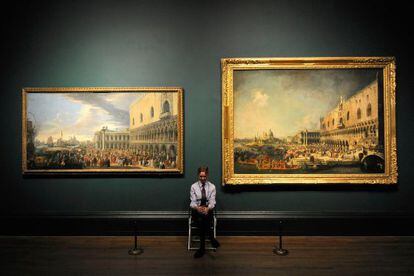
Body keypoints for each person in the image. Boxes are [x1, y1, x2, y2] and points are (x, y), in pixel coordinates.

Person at [190, 166, 220, 258]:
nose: (202, 178)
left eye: (204, 176)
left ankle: (202, 249)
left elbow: (212, 202)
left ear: (207, 175)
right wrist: (197, 208)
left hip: (208, 211)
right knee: (201, 219)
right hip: (197, 210)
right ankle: (211, 238)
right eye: (200, 176)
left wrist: (207, 208)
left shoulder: (212, 187)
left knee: (203, 219)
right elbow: (192, 202)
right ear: (198, 176)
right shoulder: (193, 187)